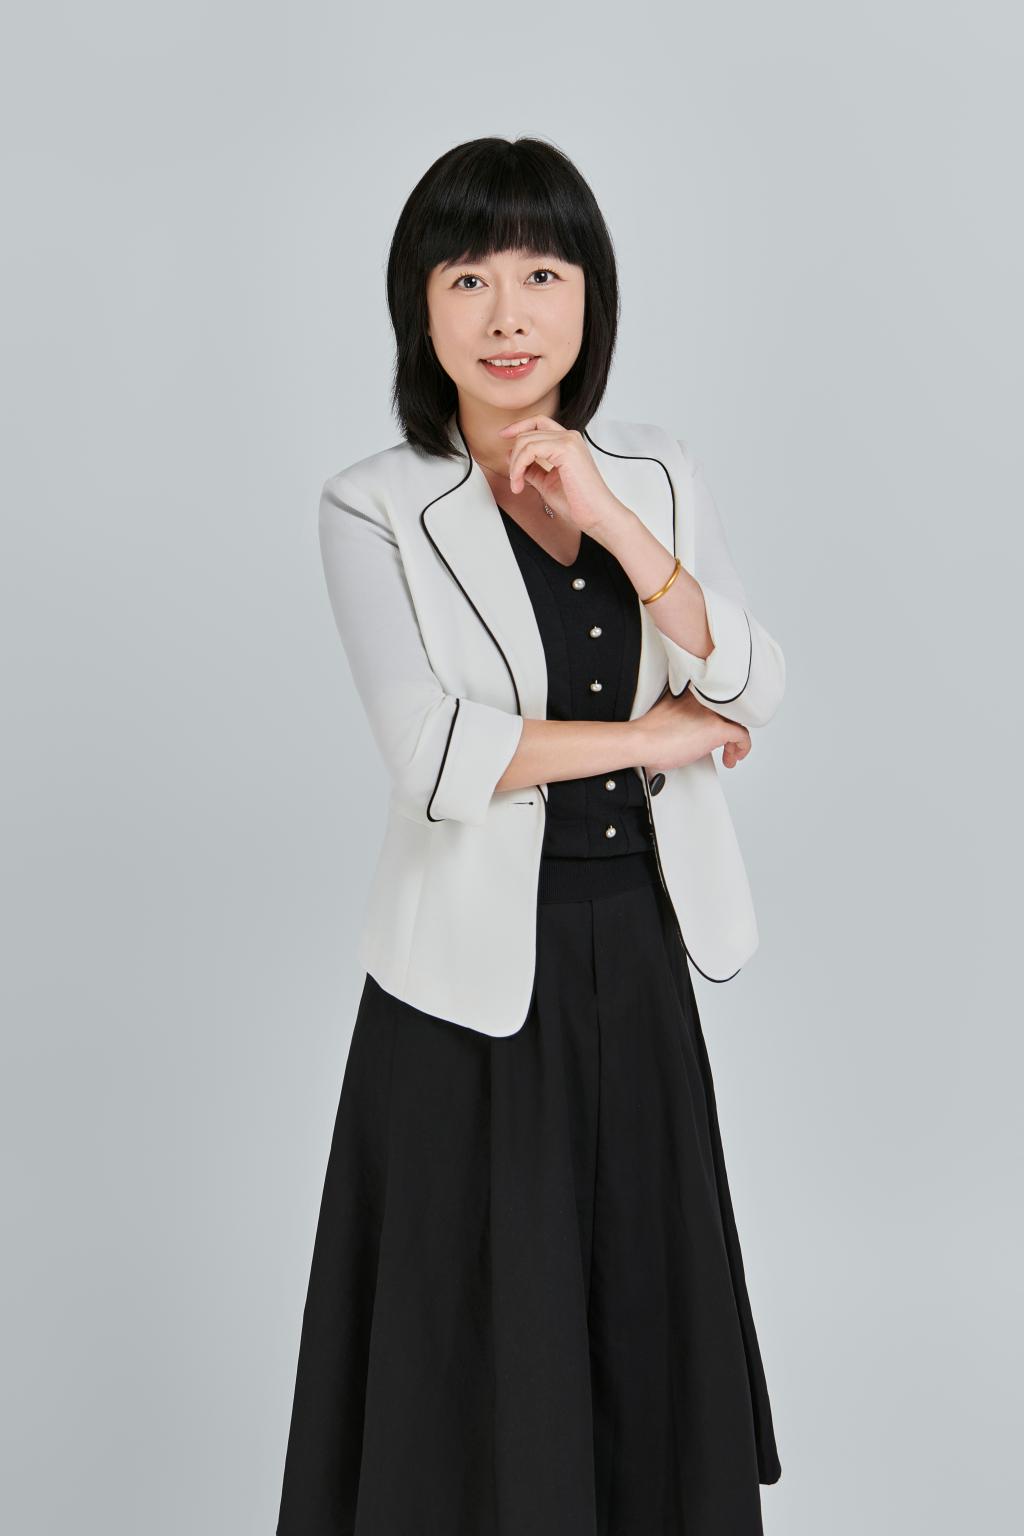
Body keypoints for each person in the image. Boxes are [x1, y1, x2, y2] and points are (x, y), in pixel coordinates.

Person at [277, 135, 786, 1536]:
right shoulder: (376, 503)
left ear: (589, 296)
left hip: (641, 958)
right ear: (421, 305)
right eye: (469, 277)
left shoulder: (656, 477)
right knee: (470, 1346)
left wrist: (614, 522)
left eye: (543, 275)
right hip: (462, 984)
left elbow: (752, 684)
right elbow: (437, 756)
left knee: (638, 1323)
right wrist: (651, 737)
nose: (508, 314)